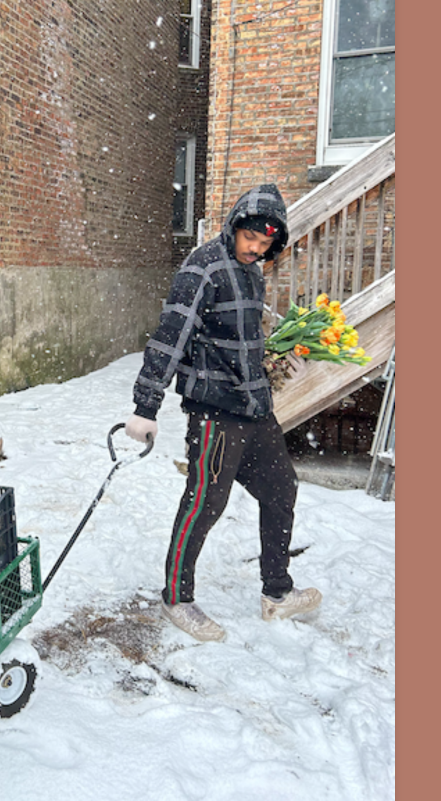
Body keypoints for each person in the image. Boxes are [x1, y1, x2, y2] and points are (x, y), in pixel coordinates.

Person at [125, 183, 322, 642]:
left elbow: (239, 339)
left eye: (266, 243)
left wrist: (271, 360)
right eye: (250, 238)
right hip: (215, 413)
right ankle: (177, 596)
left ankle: (277, 593)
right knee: (204, 504)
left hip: (254, 409)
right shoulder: (203, 267)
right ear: (235, 226)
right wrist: (145, 406)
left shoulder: (252, 273)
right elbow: (170, 336)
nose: (256, 248)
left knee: (281, 490)